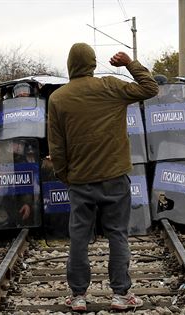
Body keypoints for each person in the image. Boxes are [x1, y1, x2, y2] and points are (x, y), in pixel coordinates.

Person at [47, 43, 158, 311]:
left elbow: (57, 147)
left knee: (79, 238)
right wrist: (130, 63)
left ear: (69, 64)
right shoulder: (110, 86)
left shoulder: (58, 99)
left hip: (80, 180)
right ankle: (121, 295)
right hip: (114, 177)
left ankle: (78, 297)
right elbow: (150, 88)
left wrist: (66, 177)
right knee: (118, 235)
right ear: (93, 64)